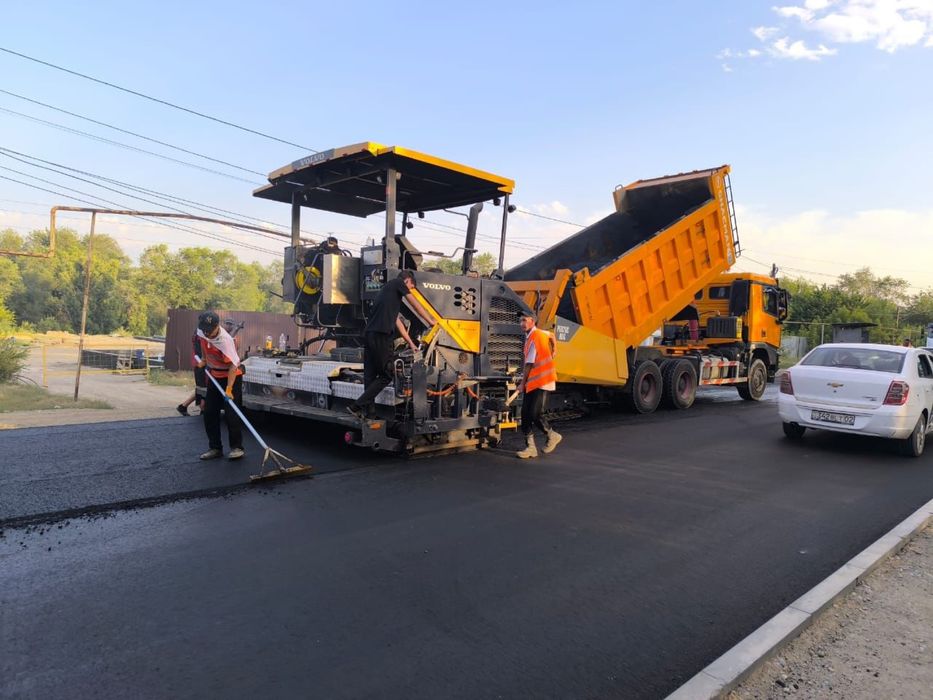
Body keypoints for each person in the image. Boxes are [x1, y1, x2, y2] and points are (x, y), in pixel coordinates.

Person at [347, 270, 436, 419]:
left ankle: (370, 414)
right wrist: (431, 321)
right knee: (387, 375)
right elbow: (415, 304)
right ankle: (356, 405)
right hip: (382, 336)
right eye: (411, 287)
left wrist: (410, 343)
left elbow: (397, 322)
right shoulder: (398, 283)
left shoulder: (386, 292)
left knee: (370, 376)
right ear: (407, 281)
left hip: (369, 335)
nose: (410, 291)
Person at [195, 311, 245, 460]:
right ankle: (215, 448)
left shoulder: (225, 341)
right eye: (204, 329)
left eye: (210, 330)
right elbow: (203, 343)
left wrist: (229, 389)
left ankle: (237, 448)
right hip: (215, 376)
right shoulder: (202, 331)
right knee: (209, 412)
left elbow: (233, 366)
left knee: (231, 413)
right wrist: (204, 359)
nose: (207, 333)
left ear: (217, 326)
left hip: (231, 377)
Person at [516, 311, 561, 459]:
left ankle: (552, 435)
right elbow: (552, 335)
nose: (521, 323)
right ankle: (531, 448)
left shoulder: (535, 337)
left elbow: (528, 365)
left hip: (543, 381)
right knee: (525, 415)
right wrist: (555, 349)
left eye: (524, 320)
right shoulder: (538, 334)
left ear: (532, 321)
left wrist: (521, 384)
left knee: (535, 414)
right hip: (534, 381)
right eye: (520, 321)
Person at [177, 319, 242, 416]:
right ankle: (200, 410)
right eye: (228, 324)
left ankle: (185, 406)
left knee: (204, 389)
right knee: (204, 389)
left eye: (231, 325)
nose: (230, 326)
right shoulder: (204, 334)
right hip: (203, 365)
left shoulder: (214, 334)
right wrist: (204, 361)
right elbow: (205, 350)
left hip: (206, 365)